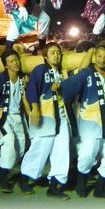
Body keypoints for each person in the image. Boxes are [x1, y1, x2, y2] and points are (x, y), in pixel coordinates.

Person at [60, 44, 105, 200]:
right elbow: (71, 84)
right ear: (95, 57)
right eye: (99, 56)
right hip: (90, 119)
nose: (102, 60)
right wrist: (89, 51)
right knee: (88, 152)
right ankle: (81, 178)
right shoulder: (88, 73)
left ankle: (100, 188)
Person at [19, 42, 72, 199]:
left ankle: (55, 184)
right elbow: (31, 89)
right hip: (45, 115)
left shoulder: (63, 72)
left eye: (58, 52)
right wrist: (35, 108)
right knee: (40, 148)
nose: (56, 55)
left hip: (61, 115)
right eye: (53, 52)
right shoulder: (41, 70)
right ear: (45, 56)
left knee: (62, 149)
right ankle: (24, 177)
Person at [0, 50, 28, 193]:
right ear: (6, 65)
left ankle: (1, 173)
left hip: (17, 117)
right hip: (1, 117)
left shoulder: (23, 79)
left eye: (16, 60)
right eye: (11, 61)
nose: (15, 63)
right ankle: (3, 179)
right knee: (9, 141)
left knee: (21, 147)